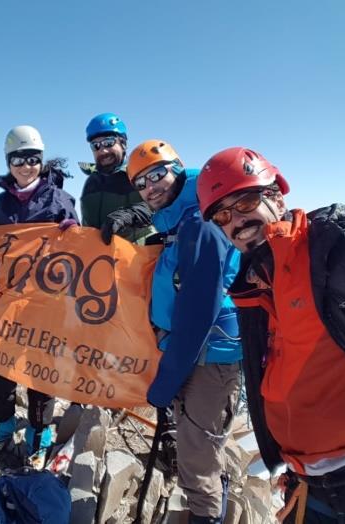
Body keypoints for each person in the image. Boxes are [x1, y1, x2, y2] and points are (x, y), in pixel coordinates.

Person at [197, 147, 345, 523]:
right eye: (222, 214)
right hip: (309, 485)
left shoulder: (335, 249)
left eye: (246, 200)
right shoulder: (254, 287)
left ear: (277, 195)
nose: (236, 219)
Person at [128, 140, 242, 523]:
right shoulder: (182, 219)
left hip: (207, 355)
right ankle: (212, 502)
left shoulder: (200, 221)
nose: (151, 186)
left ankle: (206, 515)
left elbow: (197, 313)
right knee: (200, 447)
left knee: (195, 455)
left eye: (158, 173)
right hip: (197, 353)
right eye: (141, 183)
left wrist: (167, 380)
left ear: (178, 168)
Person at [0, 125, 79, 466]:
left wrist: (74, 234)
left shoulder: (59, 202)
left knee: (41, 370)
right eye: (19, 159)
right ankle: (1, 427)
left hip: (46, 304)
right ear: (9, 163)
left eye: (33, 159)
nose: (26, 166)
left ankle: (39, 435)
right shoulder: (1, 205)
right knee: (0, 368)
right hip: (9, 302)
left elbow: (79, 255)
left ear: (42, 161)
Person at [79, 112, 154, 244]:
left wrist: (132, 214)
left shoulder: (139, 174)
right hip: (98, 260)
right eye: (96, 146)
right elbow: (86, 225)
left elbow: (162, 206)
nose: (103, 151)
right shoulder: (92, 182)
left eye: (108, 143)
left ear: (123, 143)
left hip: (139, 256)